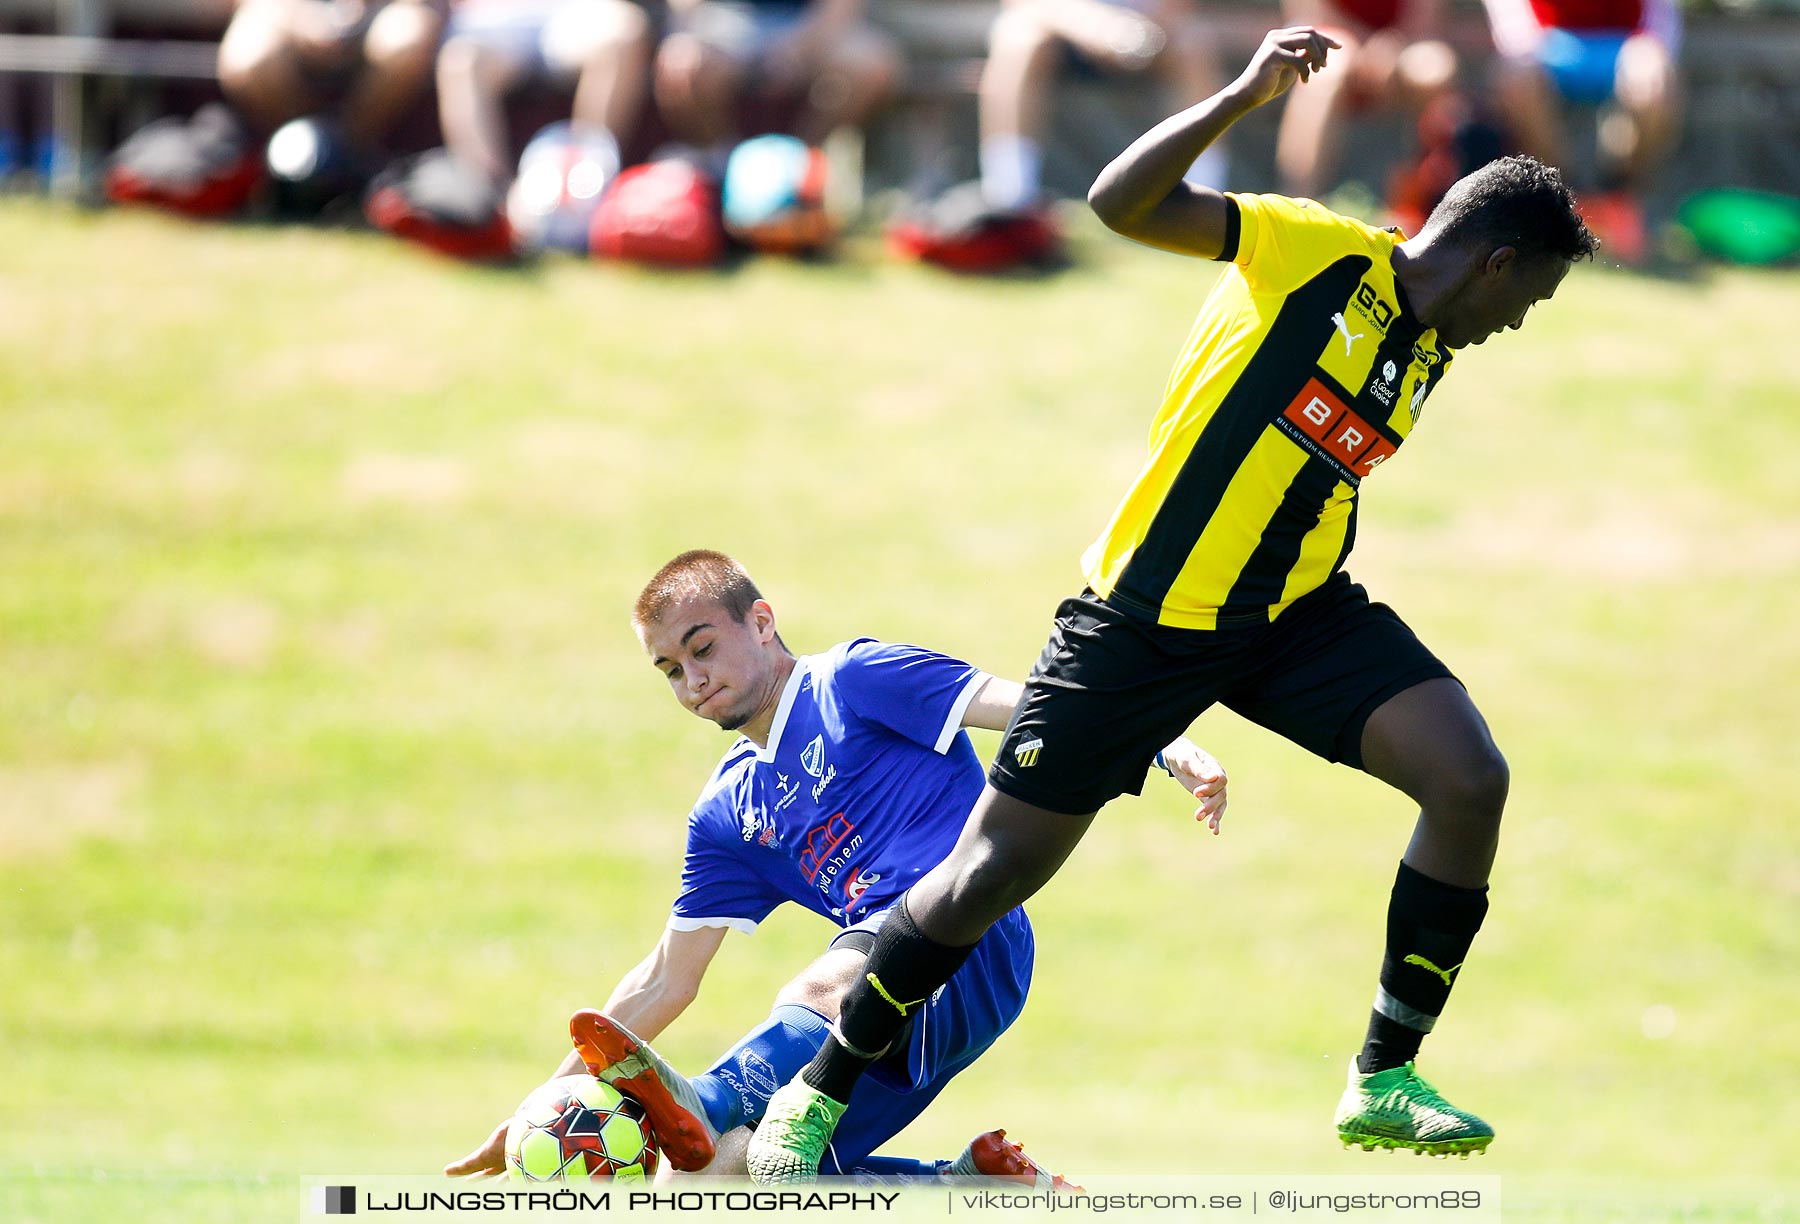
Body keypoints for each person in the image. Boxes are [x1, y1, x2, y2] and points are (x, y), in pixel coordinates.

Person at [747, 26, 1597, 1183]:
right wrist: (1242, 96)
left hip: (1296, 616)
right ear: (1496, 262)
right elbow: (1120, 201)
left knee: (1469, 777)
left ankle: (1382, 1077)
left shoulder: (1428, 351)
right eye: (1531, 300)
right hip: (1141, 620)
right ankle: (821, 1087)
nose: (1516, 325)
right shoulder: (1316, 254)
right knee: (988, 873)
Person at [447, 550, 1228, 1180]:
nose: (693, 682)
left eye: (702, 649)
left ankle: (710, 1096)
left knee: (823, 983)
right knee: (714, 1180)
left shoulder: (852, 680)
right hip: (873, 1020)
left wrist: (1160, 744)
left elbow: (1023, 705)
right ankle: (963, 1184)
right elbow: (663, 979)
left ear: (760, 621)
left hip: (968, 941)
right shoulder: (727, 813)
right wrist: (540, 1103)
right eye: (670, 671)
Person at [978, 0, 1228, 218]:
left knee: (1194, 44)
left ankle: (1201, 202)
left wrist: (1134, 32)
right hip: (1060, 32)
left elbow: (1176, 7)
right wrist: (1093, 27)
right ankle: (1010, 199)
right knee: (1017, 39)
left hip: (1149, 35)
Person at [1483, 0, 1681, 263]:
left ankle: (1618, 199)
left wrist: (1652, 47)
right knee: (1517, 75)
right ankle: (1560, 201)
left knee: (1654, 83)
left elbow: (1660, 22)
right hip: (1545, 41)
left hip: (1625, 44)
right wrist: (1522, 41)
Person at [435, 0, 656, 186]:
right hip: (490, 14)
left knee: (623, 34)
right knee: (461, 59)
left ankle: (582, 189)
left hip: (578, 9)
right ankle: (493, 204)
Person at [1272, 0, 1462, 204]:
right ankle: (1298, 202)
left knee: (1433, 69)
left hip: (1401, 46)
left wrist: (1391, 46)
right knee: (1327, 74)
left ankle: (1428, 203)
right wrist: (1359, 45)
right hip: (1333, 41)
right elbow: (1308, 11)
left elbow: (1425, 20)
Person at [653, 0, 901, 153]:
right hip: (727, 23)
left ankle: (800, 163)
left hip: (809, 27)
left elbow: (839, 8)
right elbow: (688, 10)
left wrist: (796, 49)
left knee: (871, 63)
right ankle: (718, 166)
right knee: (682, 58)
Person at [217, 0, 445, 157]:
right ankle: (299, 154)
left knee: (407, 38)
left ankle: (348, 155)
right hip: (284, 11)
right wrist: (301, 18)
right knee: (249, 59)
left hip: (381, 12)